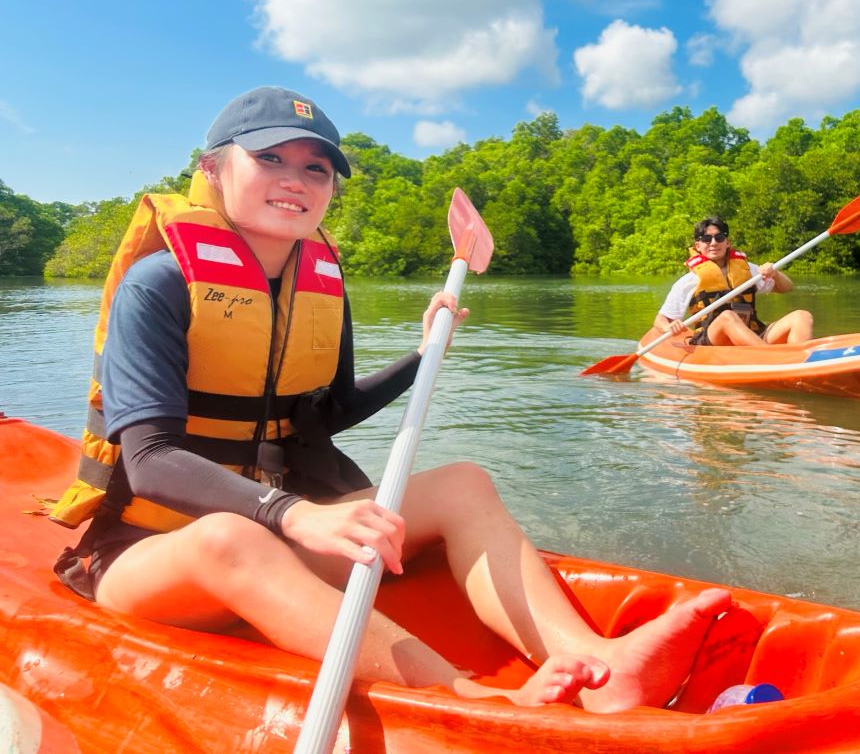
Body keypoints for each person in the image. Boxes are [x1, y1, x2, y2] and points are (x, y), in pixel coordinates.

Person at [50, 86, 730, 712]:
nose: (295, 179)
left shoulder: (320, 283)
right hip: (151, 554)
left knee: (464, 482)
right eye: (270, 158)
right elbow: (148, 458)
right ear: (212, 170)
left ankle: (599, 667)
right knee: (229, 538)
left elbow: (329, 413)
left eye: (316, 169)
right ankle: (471, 700)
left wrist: (422, 356)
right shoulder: (159, 284)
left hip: (275, 534)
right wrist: (292, 516)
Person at [653, 216, 813, 346]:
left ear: (727, 242)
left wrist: (775, 274)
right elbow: (660, 320)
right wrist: (668, 326)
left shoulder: (748, 269)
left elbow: (786, 288)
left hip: (753, 333)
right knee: (727, 316)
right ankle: (770, 357)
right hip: (712, 339)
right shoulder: (689, 280)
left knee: (802, 316)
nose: (714, 243)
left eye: (719, 237)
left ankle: (799, 358)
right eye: (707, 239)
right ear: (698, 245)